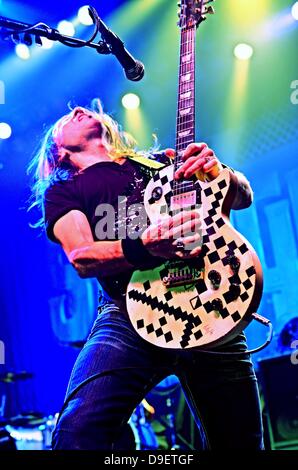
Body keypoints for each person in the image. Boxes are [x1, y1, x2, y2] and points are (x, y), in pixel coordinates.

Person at [29, 100, 264, 450]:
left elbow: (242, 197)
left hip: (208, 305)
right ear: (58, 151)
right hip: (128, 313)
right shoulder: (65, 190)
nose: (77, 108)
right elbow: (82, 256)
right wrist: (147, 246)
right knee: (77, 435)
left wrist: (219, 172)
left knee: (240, 444)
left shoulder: (160, 163)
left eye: (81, 109)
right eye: (66, 117)